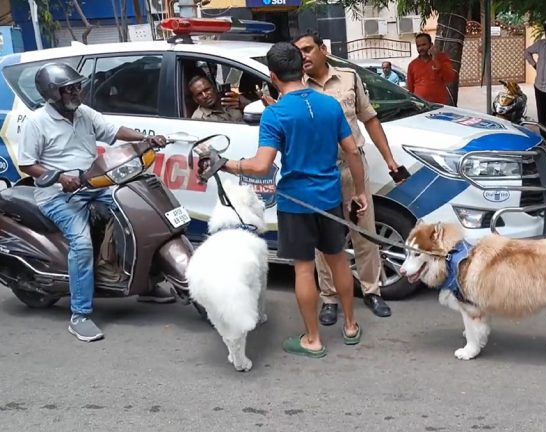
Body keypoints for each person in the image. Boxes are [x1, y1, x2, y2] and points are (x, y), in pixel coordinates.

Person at [202, 42, 366, 358]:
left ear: (272, 75)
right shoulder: (330, 105)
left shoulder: (275, 114)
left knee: (304, 271)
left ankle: (313, 340)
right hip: (329, 197)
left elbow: (261, 165)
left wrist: (226, 163)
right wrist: (359, 191)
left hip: (296, 202)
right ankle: (350, 326)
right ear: (301, 67)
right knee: (338, 261)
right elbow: (353, 150)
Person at [17, 63, 173, 343]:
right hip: (57, 195)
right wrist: (59, 177)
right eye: (70, 88)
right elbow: (27, 164)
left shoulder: (83, 114)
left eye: (77, 86)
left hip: (93, 184)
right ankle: (80, 315)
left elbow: (113, 130)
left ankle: (145, 284)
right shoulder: (36, 122)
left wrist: (146, 139)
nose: (78, 91)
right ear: (53, 93)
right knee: (81, 242)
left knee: (135, 215)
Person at [293, 31, 399, 322]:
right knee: (324, 239)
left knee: (363, 232)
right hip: (318, 173)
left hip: (352, 169)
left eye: (307, 49)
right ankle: (329, 299)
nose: (303, 56)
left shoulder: (350, 78)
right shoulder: (294, 87)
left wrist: (389, 159)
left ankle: (371, 291)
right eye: (298, 51)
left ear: (323, 49)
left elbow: (369, 119)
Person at [407, 33, 456, 104]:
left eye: (424, 45)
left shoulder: (442, 58)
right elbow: (410, 88)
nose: (421, 48)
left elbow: (449, 78)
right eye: (418, 46)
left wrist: (435, 59)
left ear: (431, 45)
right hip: (421, 105)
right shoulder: (412, 65)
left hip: (440, 104)